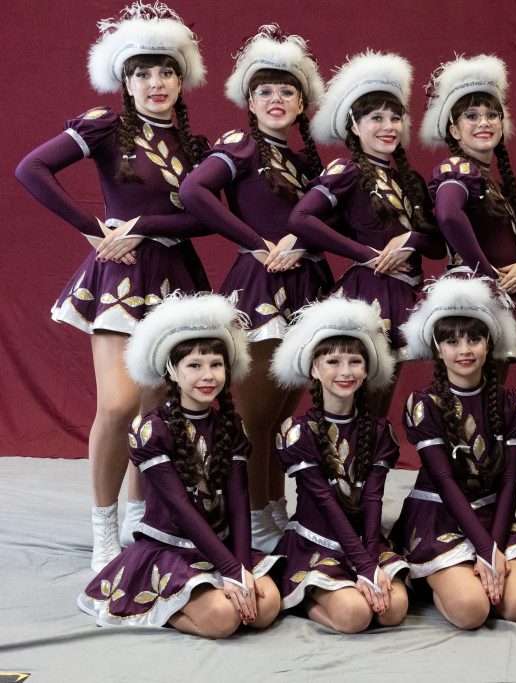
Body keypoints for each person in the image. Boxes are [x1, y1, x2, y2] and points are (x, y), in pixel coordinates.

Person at [15, 1, 210, 571]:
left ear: (182, 80)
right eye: (142, 73)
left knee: (156, 404)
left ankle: (138, 516)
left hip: (175, 275)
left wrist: (143, 224)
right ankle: (103, 528)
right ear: (125, 82)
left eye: (166, 72)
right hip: (120, 276)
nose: (156, 83)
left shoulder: (197, 145)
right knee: (120, 404)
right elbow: (30, 170)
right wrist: (92, 228)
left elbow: (207, 218)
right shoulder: (104, 126)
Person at [180, 25, 329, 552]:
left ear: (302, 103)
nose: (276, 99)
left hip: (309, 284)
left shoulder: (306, 162)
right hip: (262, 285)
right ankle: (254, 515)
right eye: (265, 91)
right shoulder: (238, 147)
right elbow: (193, 191)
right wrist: (255, 242)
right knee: (257, 414)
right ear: (249, 100)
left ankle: (273, 506)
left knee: (283, 413)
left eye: (287, 91)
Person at [78, 293, 281, 637]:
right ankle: (165, 606)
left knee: (267, 606)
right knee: (223, 620)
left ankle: (212, 592)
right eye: (194, 366)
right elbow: (180, 506)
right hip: (170, 549)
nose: (208, 376)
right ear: (172, 370)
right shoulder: (153, 429)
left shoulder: (230, 426)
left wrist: (242, 566)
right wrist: (230, 570)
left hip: (221, 545)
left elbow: (238, 502)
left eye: (216, 365)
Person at [290, 50, 441, 411]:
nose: (389, 126)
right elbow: (301, 219)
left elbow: (438, 245)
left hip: (405, 293)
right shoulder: (347, 171)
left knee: (379, 405)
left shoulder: (410, 180)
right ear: (355, 127)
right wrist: (366, 255)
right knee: (355, 401)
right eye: (377, 118)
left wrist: (411, 239)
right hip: (368, 293)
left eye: (395, 118)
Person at [390, 275, 516, 629]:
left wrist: (494, 545)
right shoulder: (425, 403)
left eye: (474, 339)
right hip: (439, 514)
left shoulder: (511, 401)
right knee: (472, 611)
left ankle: (467, 574)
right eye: (452, 341)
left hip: (492, 514)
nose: (465, 350)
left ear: (489, 343)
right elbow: (444, 481)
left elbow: (510, 481)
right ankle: (432, 579)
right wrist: (485, 551)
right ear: (437, 347)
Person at [270, 297, 409, 632]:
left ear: (367, 369)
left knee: (394, 611)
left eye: (355, 361)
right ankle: (301, 597)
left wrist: (371, 560)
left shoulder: (379, 431)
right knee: (355, 617)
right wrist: (364, 566)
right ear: (314, 369)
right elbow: (325, 502)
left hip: (365, 541)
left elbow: (373, 498)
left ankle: (354, 584)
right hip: (317, 541)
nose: (345, 372)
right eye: (332, 361)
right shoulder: (299, 432)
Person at [420, 54, 516, 364]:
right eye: (472, 116)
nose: (484, 122)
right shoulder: (457, 169)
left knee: (491, 389)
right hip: (474, 293)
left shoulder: (493, 181)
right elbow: (448, 215)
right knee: (470, 385)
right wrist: (489, 274)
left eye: (492, 115)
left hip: (498, 294)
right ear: (455, 131)